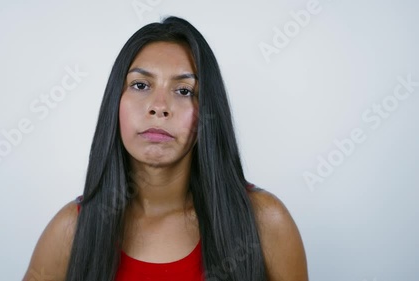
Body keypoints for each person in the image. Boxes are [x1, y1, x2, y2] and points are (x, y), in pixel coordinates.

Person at [23, 16, 308, 281]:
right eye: (140, 85)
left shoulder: (264, 221)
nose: (159, 106)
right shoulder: (69, 231)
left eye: (184, 90)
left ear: (207, 111)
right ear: (115, 102)